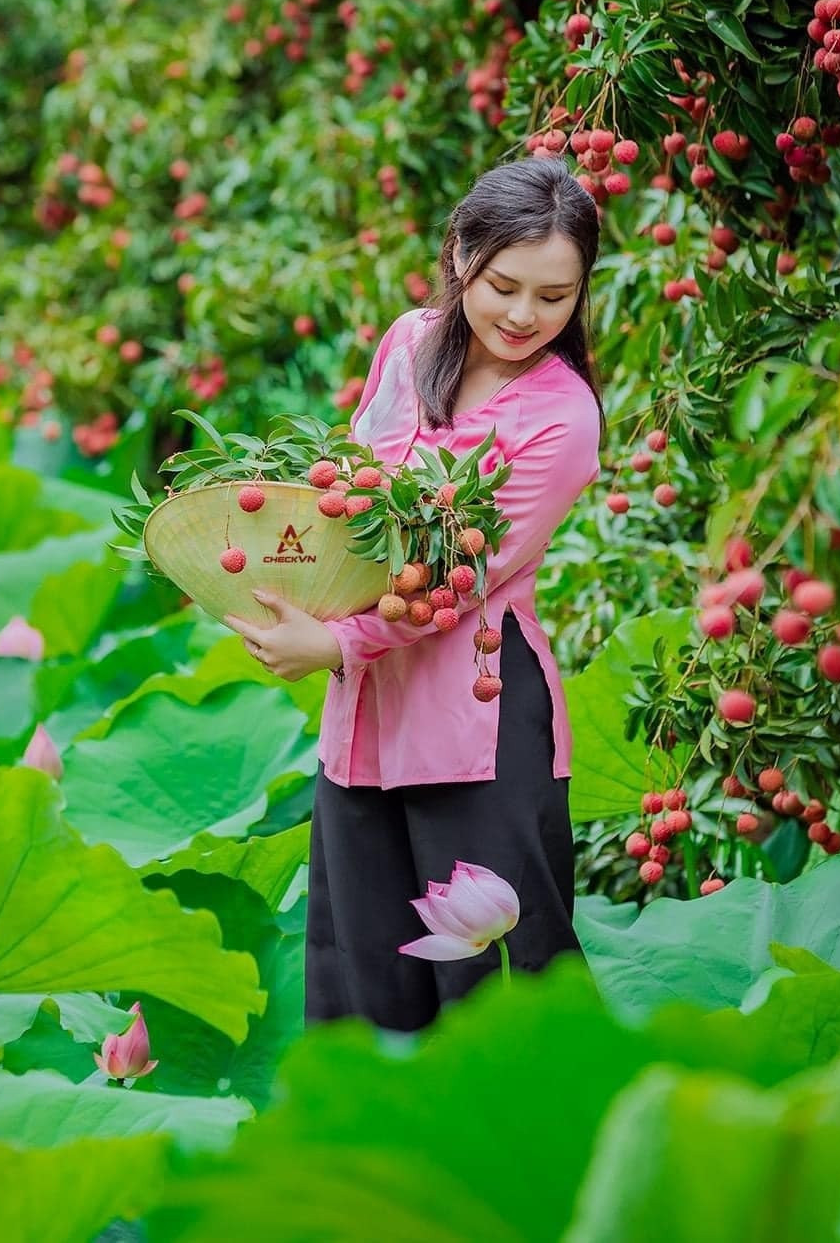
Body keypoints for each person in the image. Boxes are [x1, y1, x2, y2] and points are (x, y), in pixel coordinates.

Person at [224, 155, 604, 1032]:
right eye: (504, 284)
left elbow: (461, 572)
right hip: (364, 718)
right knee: (362, 981)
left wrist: (336, 643)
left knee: (504, 988)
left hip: (482, 716)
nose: (523, 315)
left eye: (555, 296)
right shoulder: (407, 344)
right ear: (462, 251)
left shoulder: (563, 418)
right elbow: (351, 508)